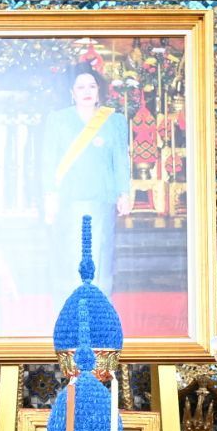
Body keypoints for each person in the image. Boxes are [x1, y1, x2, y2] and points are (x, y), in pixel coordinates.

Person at [40, 65, 133, 297]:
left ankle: (100, 313)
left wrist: (125, 192)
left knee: (102, 255)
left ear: (99, 90)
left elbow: (120, 159)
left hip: (102, 198)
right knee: (72, 256)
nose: (87, 91)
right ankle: (71, 310)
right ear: (72, 92)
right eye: (80, 87)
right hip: (69, 200)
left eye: (91, 86)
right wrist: (50, 194)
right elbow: (49, 160)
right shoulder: (58, 120)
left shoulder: (115, 121)